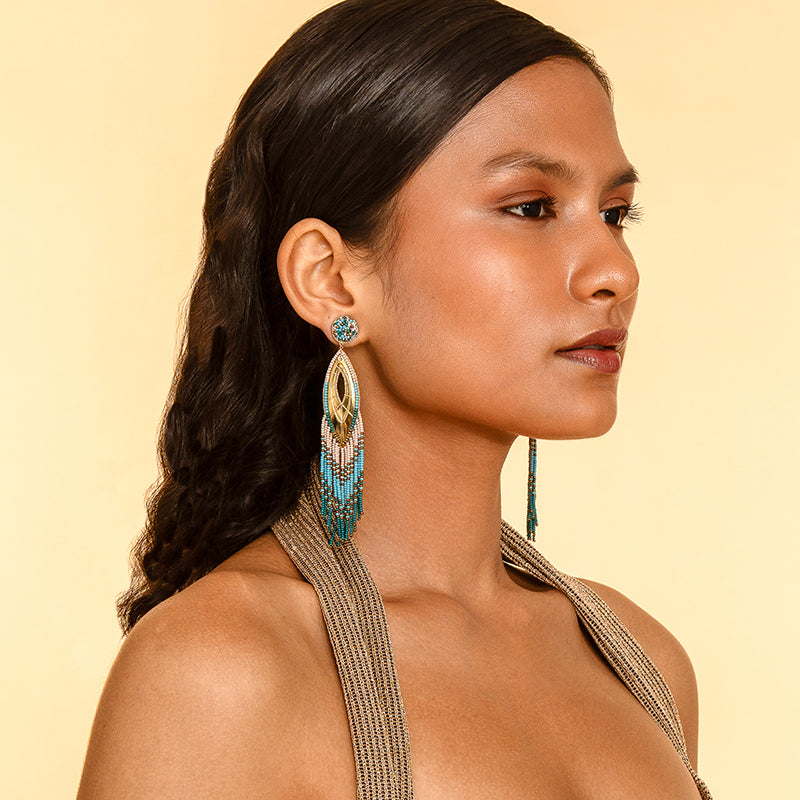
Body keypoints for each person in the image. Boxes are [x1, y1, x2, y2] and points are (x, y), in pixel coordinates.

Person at [77, 1, 713, 797]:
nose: (615, 270)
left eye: (616, 214)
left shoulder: (642, 661)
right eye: (531, 208)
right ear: (331, 279)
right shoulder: (223, 670)